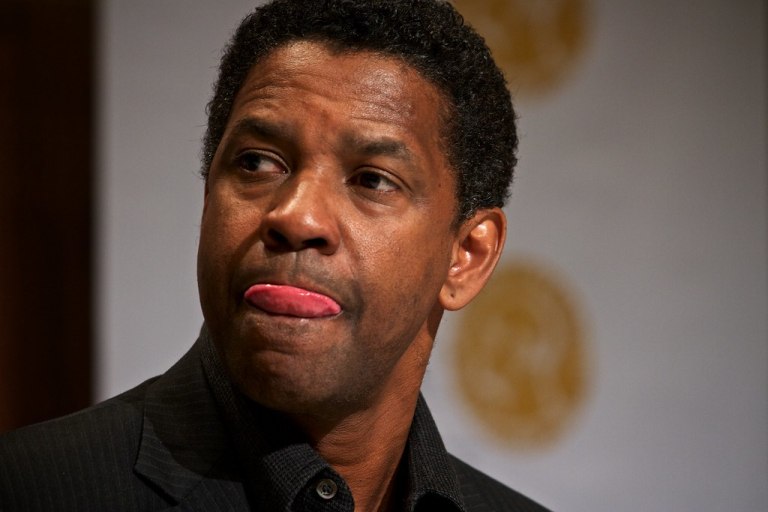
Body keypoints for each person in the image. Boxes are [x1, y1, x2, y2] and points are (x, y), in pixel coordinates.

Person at [0, 1, 550, 510]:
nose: (296, 216)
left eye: (372, 180)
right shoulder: (33, 489)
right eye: (257, 162)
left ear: (466, 255)